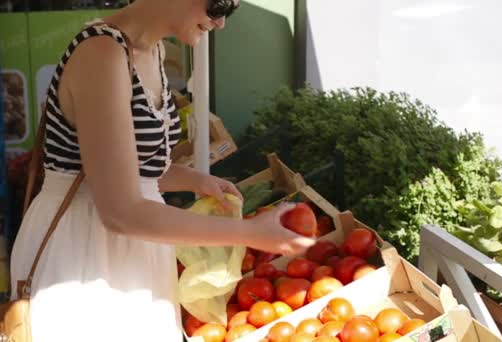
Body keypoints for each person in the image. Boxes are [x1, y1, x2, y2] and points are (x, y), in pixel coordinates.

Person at [9, 0, 315, 341]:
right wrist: (248, 232)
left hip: (131, 251)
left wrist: (197, 180)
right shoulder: (102, 54)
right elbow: (120, 211)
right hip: (85, 251)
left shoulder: (152, 52)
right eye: (220, 5)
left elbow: (137, 169)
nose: (221, 22)